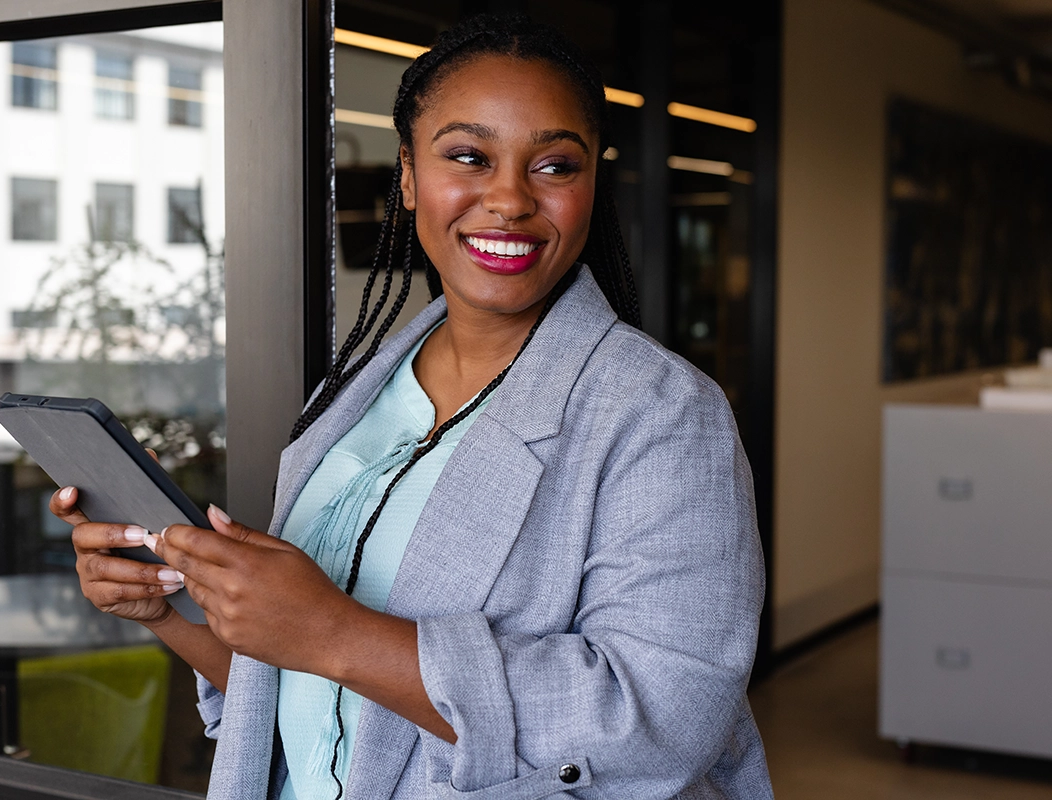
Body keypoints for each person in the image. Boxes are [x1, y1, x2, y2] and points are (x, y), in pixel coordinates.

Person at [52, 13, 772, 800]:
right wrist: (164, 608)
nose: (510, 199)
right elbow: (305, 695)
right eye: (468, 156)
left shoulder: (664, 414)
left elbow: (664, 717)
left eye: (555, 166)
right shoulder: (355, 397)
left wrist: (334, 631)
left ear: (591, 185)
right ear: (407, 173)